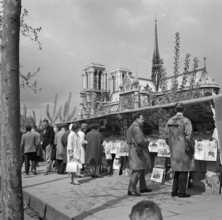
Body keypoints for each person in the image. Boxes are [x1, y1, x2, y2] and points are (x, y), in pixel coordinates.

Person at [165, 102, 195, 198]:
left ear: (175, 110)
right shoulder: (186, 121)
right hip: (183, 148)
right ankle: (181, 192)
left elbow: (166, 136)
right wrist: (190, 146)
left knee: (176, 170)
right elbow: (189, 136)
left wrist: (170, 145)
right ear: (184, 110)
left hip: (174, 148)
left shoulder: (169, 121)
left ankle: (174, 191)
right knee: (183, 170)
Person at [126, 112, 152, 196]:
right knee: (137, 171)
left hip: (134, 150)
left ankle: (142, 187)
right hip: (137, 151)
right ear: (137, 119)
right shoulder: (136, 128)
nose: (143, 121)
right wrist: (148, 141)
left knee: (140, 169)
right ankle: (131, 189)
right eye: (142, 119)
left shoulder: (131, 127)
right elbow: (140, 141)